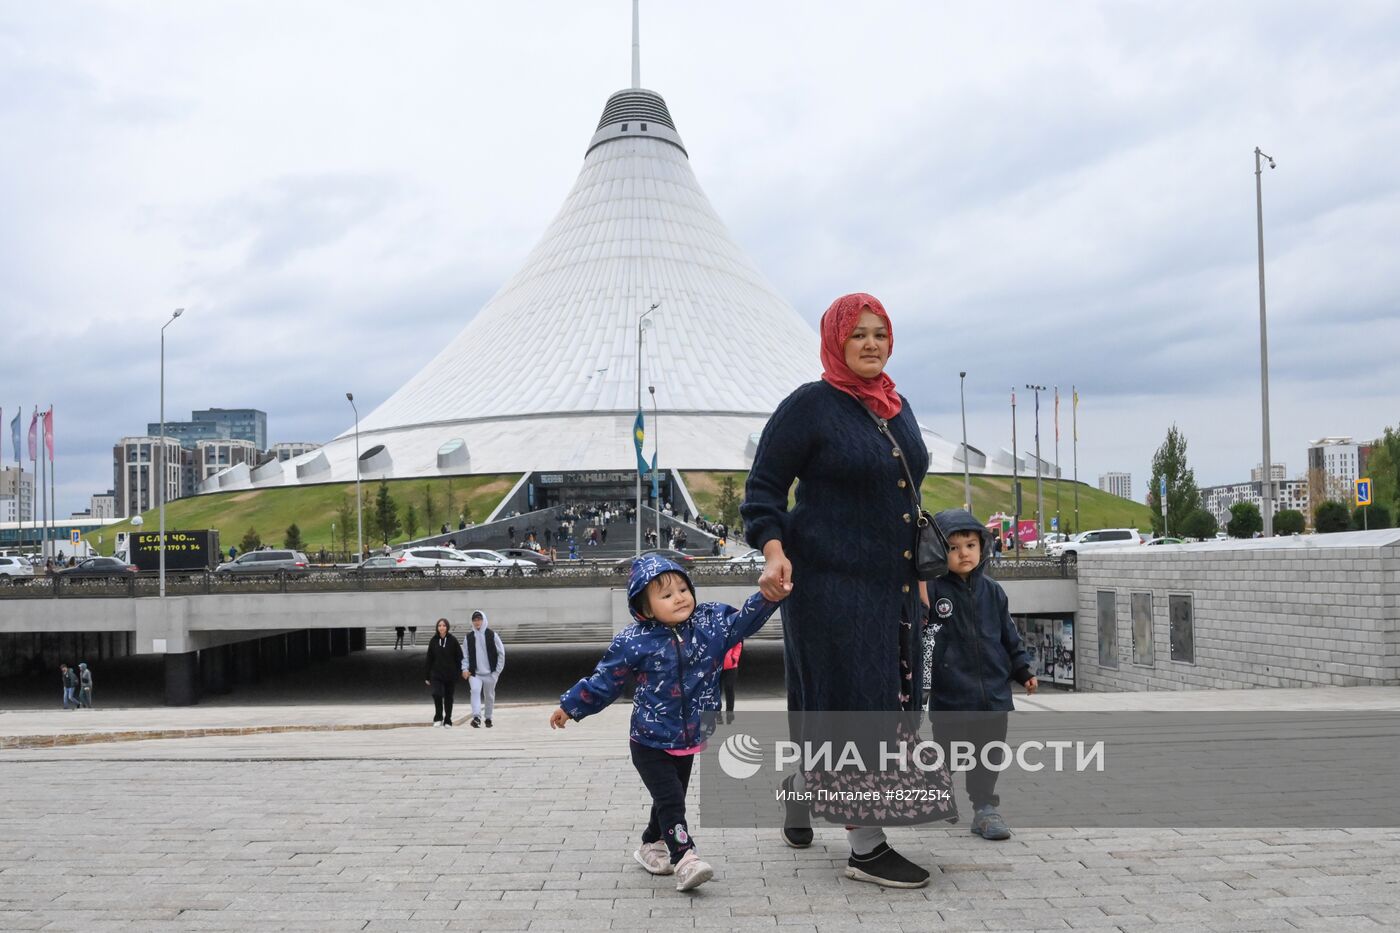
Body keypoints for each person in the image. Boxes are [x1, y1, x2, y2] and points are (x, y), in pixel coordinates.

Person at [741, 292, 956, 888]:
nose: (869, 343)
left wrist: (914, 576)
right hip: (828, 586)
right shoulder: (810, 406)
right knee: (855, 704)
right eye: (857, 334)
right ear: (836, 341)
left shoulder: (897, 405)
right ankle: (866, 845)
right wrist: (774, 550)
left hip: (890, 587)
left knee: (882, 701)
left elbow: (903, 496)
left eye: (879, 332)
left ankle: (801, 788)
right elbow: (763, 490)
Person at [550, 555, 785, 892]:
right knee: (672, 799)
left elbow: (745, 621)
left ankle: (651, 844)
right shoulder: (634, 641)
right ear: (644, 608)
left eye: (683, 588)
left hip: (688, 737)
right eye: (666, 595)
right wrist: (571, 707)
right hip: (649, 740)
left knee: (669, 799)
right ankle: (685, 858)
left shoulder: (711, 624)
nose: (679, 597)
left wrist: (769, 596)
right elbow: (605, 681)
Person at [925, 509, 1037, 842]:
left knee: (989, 755)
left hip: (994, 696)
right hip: (951, 695)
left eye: (970, 545)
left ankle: (984, 809)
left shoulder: (993, 592)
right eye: (954, 547)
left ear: (982, 547)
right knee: (949, 754)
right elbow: (923, 641)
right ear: (938, 552)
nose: (963, 553)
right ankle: (936, 791)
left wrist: (1023, 669)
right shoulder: (931, 592)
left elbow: (1009, 637)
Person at [461, 610, 505, 727]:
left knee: (489, 696)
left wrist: (497, 671)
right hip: (475, 673)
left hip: (490, 673)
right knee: (475, 691)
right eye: (474, 620)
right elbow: (465, 656)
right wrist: (464, 669)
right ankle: (476, 717)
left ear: (484, 620)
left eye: (479, 619)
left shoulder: (492, 635)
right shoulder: (468, 637)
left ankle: (488, 718)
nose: (477, 622)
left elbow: (501, 653)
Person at [423, 618, 464, 727]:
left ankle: (447, 720)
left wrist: (459, 672)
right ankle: (438, 717)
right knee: (437, 694)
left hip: (450, 675)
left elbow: (459, 657)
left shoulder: (453, 640)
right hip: (436, 674)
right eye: (439, 625)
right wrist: (427, 676)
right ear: (437, 627)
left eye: (444, 625)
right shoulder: (433, 640)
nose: (441, 627)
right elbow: (429, 659)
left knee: (448, 697)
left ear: (447, 627)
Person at [721, 640, 742, 724]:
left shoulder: (732, 629)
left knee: (729, 688)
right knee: (716, 690)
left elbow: (738, 643)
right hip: (717, 665)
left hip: (731, 666)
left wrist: (734, 658)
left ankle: (730, 714)